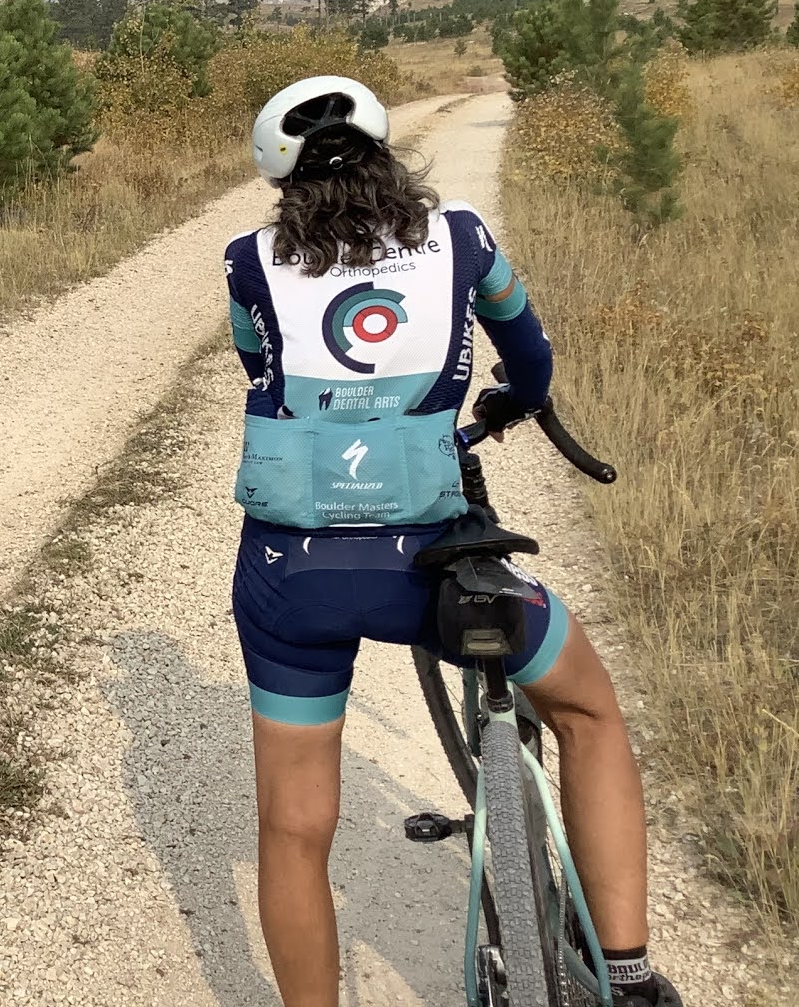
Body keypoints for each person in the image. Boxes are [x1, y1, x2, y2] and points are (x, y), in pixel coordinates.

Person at [224, 75, 679, 1007]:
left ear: (281, 183)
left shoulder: (247, 261)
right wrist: (511, 401)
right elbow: (532, 356)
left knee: (295, 830)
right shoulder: (465, 239)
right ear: (390, 151)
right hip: (430, 566)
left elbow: (255, 358)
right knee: (589, 715)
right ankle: (624, 976)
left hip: (291, 578)